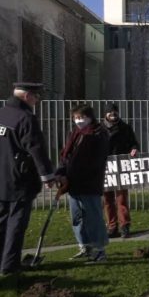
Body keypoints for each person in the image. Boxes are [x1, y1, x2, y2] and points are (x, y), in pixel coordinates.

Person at [0, 82, 56, 275]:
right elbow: (36, 149)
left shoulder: (2, 114)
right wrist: (47, 176)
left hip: (2, 179)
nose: (37, 100)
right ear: (27, 96)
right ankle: (10, 266)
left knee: (1, 223)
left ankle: (2, 262)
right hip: (19, 180)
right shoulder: (25, 118)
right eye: (36, 96)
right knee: (16, 224)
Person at [57, 104, 111, 263]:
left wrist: (75, 174)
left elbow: (95, 161)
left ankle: (99, 249)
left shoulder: (98, 134)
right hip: (73, 183)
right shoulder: (74, 133)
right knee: (77, 217)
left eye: (82, 117)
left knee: (93, 217)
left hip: (89, 182)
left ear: (90, 117)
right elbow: (65, 156)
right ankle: (84, 245)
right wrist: (61, 173)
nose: (79, 121)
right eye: (76, 118)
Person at [101, 103, 139, 239]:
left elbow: (133, 143)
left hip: (121, 168)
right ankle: (112, 227)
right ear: (105, 114)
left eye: (115, 112)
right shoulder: (99, 129)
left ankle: (124, 226)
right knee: (107, 199)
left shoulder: (125, 128)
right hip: (105, 169)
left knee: (121, 198)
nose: (113, 114)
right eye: (110, 112)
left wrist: (134, 149)